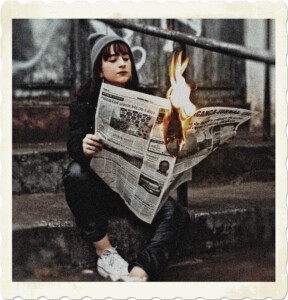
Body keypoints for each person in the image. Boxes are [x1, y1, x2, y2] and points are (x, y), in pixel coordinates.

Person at [62, 33, 190, 282]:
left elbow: (166, 143)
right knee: (74, 174)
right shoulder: (83, 104)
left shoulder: (149, 98)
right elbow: (73, 142)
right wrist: (83, 145)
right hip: (102, 190)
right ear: (99, 70)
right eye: (112, 59)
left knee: (177, 215)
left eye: (125, 57)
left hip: (138, 191)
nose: (122, 63)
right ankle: (105, 253)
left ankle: (141, 271)